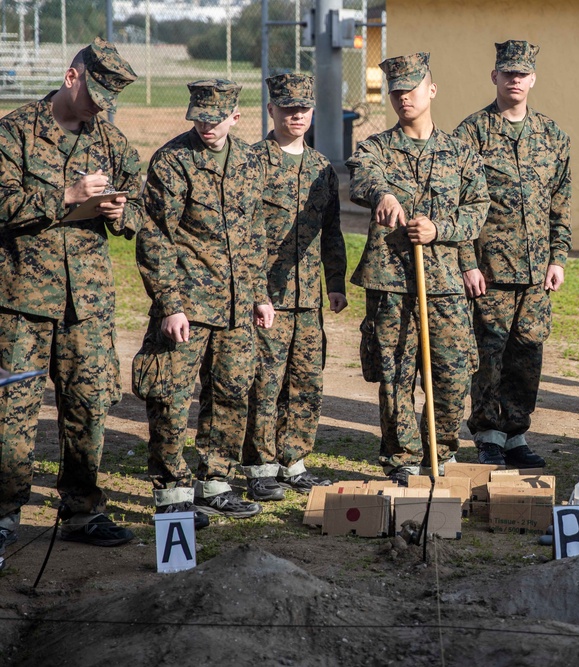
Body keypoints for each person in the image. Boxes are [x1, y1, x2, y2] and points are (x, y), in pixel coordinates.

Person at [0, 37, 139, 549]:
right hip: (22, 302)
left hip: (89, 302)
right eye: (94, 95)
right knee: (12, 411)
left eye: (109, 102)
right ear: (70, 76)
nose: (99, 109)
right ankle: (5, 515)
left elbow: (140, 206)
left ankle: (82, 511)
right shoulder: (13, 133)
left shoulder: (112, 140)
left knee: (88, 404)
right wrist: (66, 196)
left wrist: (123, 214)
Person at [135, 79, 274, 524]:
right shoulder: (173, 161)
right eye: (199, 118)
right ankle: (172, 494)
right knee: (171, 398)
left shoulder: (250, 162)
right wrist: (171, 304)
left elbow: (255, 236)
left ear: (235, 117)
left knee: (232, 393)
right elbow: (156, 236)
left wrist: (259, 295)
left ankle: (215, 483)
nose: (206, 127)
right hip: (188, 305)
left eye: (214, 119)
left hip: (235, 307)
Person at [346, 53, 489, 483]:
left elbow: (477, 209)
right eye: (395, 91)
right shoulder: (375, 148)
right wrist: (384, 195)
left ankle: (440, 451)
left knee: (451, 373)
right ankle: (403, 457)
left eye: (411, 88)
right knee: (394, 377)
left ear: (432, 90)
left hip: (444, 283)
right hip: (389, 283)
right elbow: (362, 176)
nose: (402, 97)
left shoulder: (460, 152)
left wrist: (438, 229)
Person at [453, 40, 571, 468]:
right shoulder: (470, 134)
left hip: (537, 271)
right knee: (489, 354)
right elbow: (457, 202)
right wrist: (466, 261)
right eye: (508, 73)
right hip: (489, 269)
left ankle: (515, 434)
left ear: (533, 79)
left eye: (522, 73)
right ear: (495, 77)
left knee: (527, 354)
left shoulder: (553, 136)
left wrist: (558, 257)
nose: (515, 79)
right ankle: (487, 432)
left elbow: (561, 202)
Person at [241, 73, 347, 502]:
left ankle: (294, 460)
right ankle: (260, 466)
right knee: (265, 382)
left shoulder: (322, 167)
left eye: (303, 108)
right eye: (287, 108)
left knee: (307, 380)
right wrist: (253, 292)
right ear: (271, 111)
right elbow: (242, 234)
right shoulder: (252, 163)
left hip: (308, 299)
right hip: (266, 296)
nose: (296, 115)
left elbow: (333, 230)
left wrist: (336, 282)